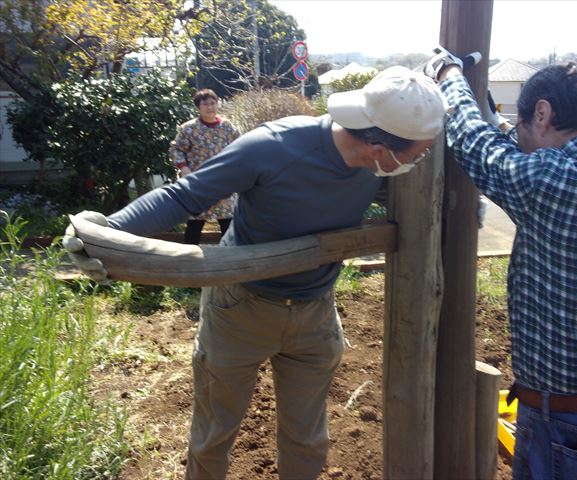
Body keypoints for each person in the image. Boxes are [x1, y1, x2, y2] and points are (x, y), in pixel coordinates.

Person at [63, 66, 448, 479]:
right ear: (380, 147)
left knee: (307, 437)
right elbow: (185, 195)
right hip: (240, 307)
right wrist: (106, 231)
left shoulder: (379, 170)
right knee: (215, 431)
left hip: (314, 312)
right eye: (418, 153)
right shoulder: (273, 147)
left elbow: (435, 199)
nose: (420, 161)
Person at [427, 49, 577, 479]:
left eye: (525, 124)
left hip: (568, 428)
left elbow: (474, 143)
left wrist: (448, 74)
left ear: (542, 113)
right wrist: (504, 123)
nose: (519, 136)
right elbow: (524, 157)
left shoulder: (554, 182)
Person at [170, 88, 240, 244]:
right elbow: (176, 149)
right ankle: (189, 256)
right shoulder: (188, 128)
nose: (210, 107)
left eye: (213, 103)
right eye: (205, 104)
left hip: (223, 181)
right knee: (195, 220)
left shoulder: (228, 127)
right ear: (198, 107)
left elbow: (240, 147)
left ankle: (229, 256)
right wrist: (184, 168)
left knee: (227, 221)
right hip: (198, 181)